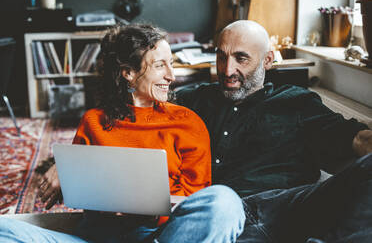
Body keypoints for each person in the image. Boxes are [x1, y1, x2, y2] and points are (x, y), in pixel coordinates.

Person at [0, 24, 245, 243]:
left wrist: (148, 210)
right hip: (97, 236)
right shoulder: (94, 121)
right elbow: (81, 196)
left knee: (224, 202)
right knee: (4, 229)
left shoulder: (187, 123)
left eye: (171, 64)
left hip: (161, 236)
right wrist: (64, 168)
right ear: (128, 73)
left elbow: (195, 200)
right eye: (160, 66)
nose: (172, 76)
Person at [175, 20, 372, 242]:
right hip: (214, 215)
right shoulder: (194, 99)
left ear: (267, 60)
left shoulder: (297, 103)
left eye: (241, 58)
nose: (227, 70)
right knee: (220, 204)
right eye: (221, 57)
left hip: (284, 211)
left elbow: (356, 138)